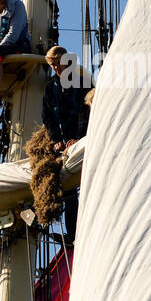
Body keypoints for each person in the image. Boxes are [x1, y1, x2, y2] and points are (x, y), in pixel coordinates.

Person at [41, 46, 91, 246]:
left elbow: (85, 111)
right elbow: (48, 118)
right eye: (52, 65)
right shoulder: (50, 87)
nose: (55, 68)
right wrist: (56, 141)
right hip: (63, 140)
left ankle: (83, 230)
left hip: (80, 135)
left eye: (57, 64)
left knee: (80, 185)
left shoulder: (81, 83)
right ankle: (73, 234)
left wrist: (78, 137)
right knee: (68, 191)